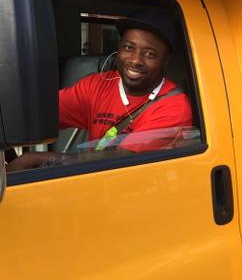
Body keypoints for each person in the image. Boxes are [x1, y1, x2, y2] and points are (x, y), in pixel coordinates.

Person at [8, 10, 193, 171]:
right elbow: (37, 116)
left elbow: (120, 161)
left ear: (165, 61)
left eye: (149, 54)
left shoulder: (174, 106)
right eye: (129, 48)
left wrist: (34, 159)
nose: (135, 60)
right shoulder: (97, 85)